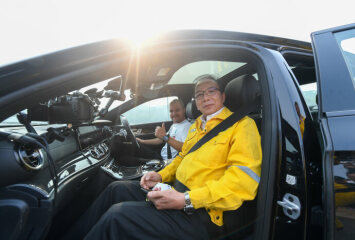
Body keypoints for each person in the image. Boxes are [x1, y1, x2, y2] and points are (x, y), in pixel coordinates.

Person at [67, 74, 262, 240]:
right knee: (116, 189)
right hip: (176, 191)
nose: (205, 97)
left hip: (203, 213)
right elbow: (181, 158)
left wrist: (186, 199)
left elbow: (242, 183)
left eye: (211, 91)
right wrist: (161, 175)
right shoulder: (197, 126)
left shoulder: (242, 126)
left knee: (117, 216)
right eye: (199, 94)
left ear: (223, 95)